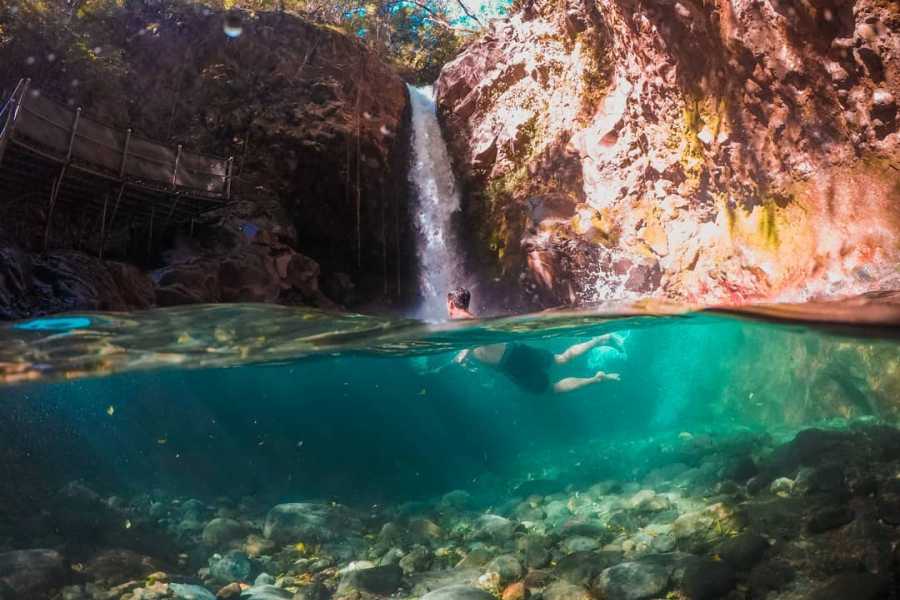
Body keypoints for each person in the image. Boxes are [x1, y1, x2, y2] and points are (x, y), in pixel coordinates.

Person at [446, 287, 623, 395]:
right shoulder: (473, 320)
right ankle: (600, 339)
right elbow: (479, 336)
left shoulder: (464, 324)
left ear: (452, 304)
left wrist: (463, 354)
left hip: (511, 365)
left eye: (447, 305)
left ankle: (597, 378)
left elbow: (476, 336)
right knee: (561, 359)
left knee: (552, 390)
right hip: (515, 351)